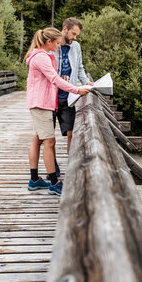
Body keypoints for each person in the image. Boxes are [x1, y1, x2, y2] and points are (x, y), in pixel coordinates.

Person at [25, 27, 90, 196]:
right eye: (57, 43)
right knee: (49, 142)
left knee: (37, 140)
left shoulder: (39, 55)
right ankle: (54, 183)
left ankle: (34, 180)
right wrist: (77, 90)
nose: (58, 47)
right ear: (49, 42)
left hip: (39, 103)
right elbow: (55, 79)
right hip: (41, 104)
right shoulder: (41, 58)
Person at [52, 17, 93, 158]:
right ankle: (54, 167)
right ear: (65, 29)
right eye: (73, 34)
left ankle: (71, 164)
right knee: (49, 137)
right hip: (51, 96)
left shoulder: (76, 47)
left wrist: (87, 82)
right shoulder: (52, 46)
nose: (74, 38)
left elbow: (80, 67)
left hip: (69, 95)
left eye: (76, 35)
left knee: (71, 133)